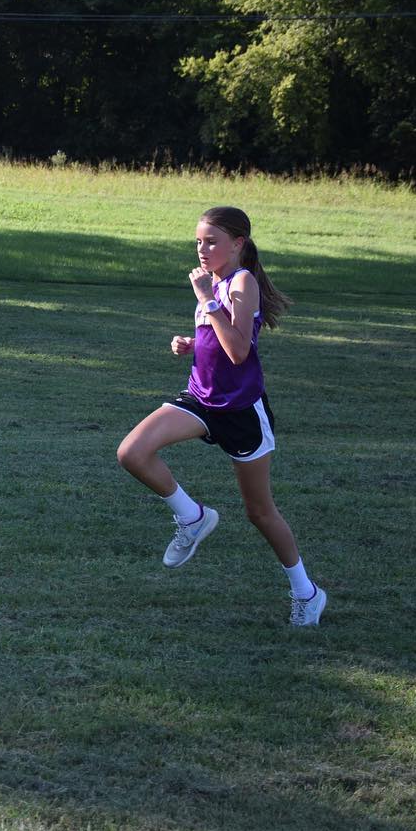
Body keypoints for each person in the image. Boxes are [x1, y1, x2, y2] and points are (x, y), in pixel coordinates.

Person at [116, 206, 325, 626]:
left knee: (259, 512)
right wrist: (192, 345)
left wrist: (207, 301)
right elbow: (217, 342)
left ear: (238, 244)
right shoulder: (214, 283)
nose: (202, 248)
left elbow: (239, 351)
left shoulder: (240, 282)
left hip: (241, 413)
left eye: (211, 241)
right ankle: (192, 516)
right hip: (200, 399)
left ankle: (307, 592)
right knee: (132, 452)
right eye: (198, 241)